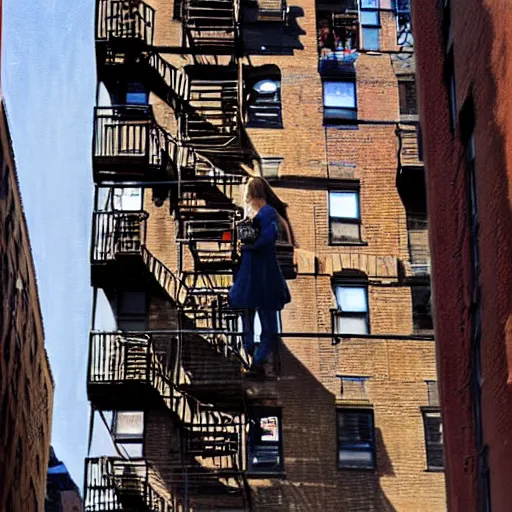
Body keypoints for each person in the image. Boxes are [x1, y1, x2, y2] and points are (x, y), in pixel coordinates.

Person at [228, 177, 295, 376]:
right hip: (251, 271)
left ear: (253, 193)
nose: (246, 197)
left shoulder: (267, 213)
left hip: (262, 272)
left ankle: (256, 362)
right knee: (249, 317)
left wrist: (248, 244)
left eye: (248, 193)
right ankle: (252, 358)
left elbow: (268, 237)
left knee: (266, 322)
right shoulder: (253, 213)